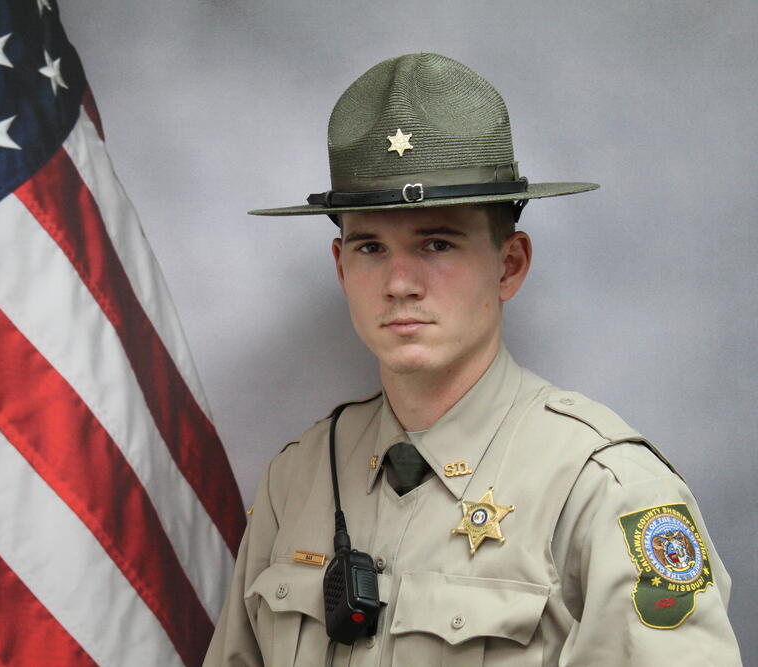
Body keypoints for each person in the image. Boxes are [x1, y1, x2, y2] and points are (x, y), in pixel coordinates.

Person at [203, 53, 742, 665]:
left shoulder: (605, 492)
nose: (399, 282)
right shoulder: (296, 481)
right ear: (340, 266)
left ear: (508, 264)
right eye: (371, 246)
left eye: (437, 243)